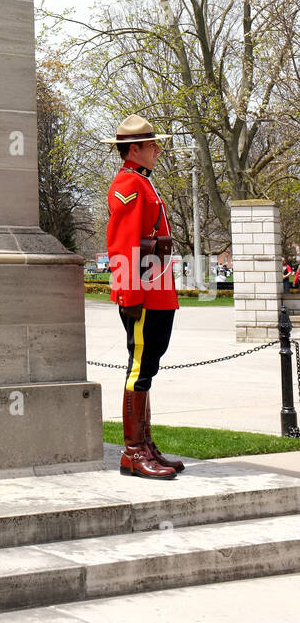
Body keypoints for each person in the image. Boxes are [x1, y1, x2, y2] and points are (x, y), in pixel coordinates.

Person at [104, 115, 182, 481]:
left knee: (147, 367)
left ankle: (145, 446)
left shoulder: (143, 184)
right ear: (133, 149)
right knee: (139, 367)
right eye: (152, 145)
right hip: (143, 295)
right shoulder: (129, 185)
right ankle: (132, 453)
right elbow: (123, 245)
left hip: (156, 292)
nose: (158, 149)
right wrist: (131, 295)